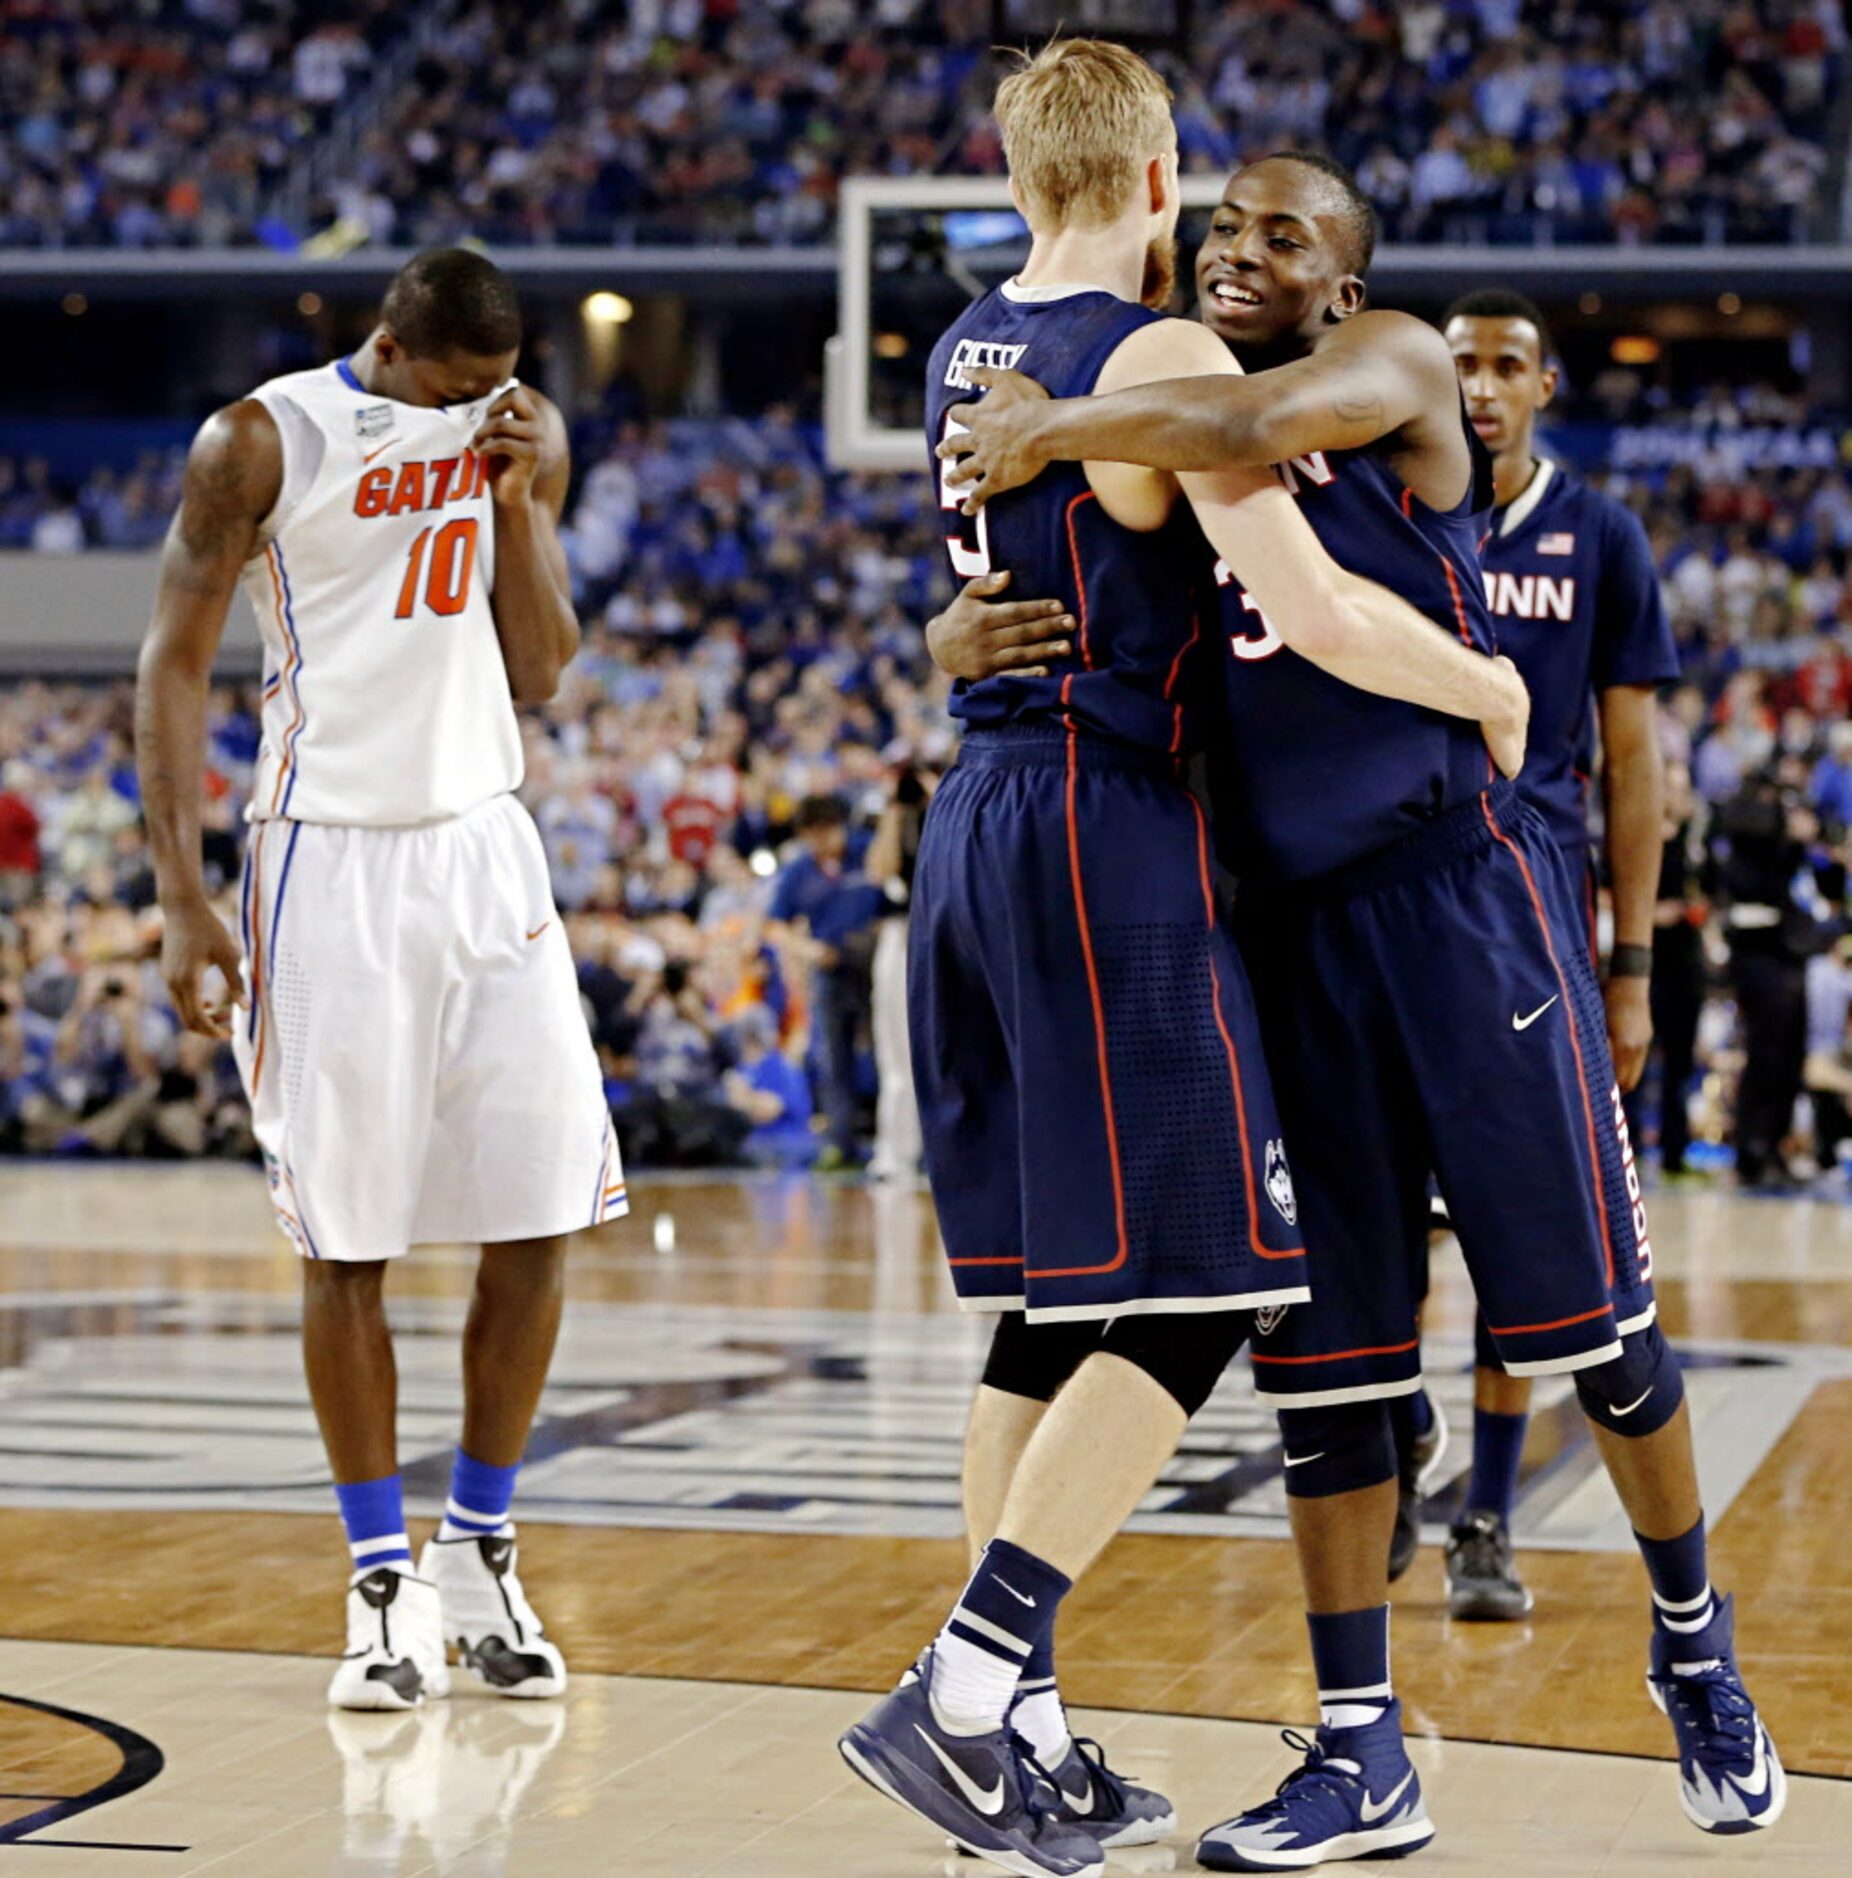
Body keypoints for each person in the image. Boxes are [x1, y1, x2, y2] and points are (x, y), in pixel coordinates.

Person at [939, 152, 1783, 1858]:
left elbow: (1242, 440)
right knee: (1325, 1373)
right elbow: (1077, 597)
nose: (1243, 249)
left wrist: (1046, 423)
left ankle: (1690, 1637)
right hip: (1279, 929)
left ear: (1341, 281)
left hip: (1462, 898)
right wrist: (962, 628)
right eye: (1226, 223)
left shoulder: (1388, 360)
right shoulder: (1157, 406)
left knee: (1591, 1337)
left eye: (1286, 236)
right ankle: (1357, 1750)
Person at [839, 47, 1527, 1878]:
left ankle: (1024, 1739)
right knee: (1224, 1270)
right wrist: (1479, 678)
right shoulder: (1158, 360)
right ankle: (968, 1687)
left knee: (1049, 1299)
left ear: (1010, 176)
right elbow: (1299, 602)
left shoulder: (962, 343)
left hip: (977, 816)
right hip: (1100, 819)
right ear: (1155, 172)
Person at [136, 248, 620, 1713]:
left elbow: (539, 668)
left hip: (483, 845)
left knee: (538, 1212)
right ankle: (378, 1579)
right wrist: (180, 893)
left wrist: (524, 494)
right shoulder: (264, 439)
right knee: (348, 1241)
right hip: (323, 857)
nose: (486, 406)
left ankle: (480, 1543)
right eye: (462, 388)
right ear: (394, 348)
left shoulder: (512, 430)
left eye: (503, 385)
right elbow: (171, 658)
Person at [1377, 289, 1680, 1621]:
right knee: (1377, 1212)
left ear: (1546, 384)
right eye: (1460, 368)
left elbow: (1632, 760)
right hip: (1385, 895)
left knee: (1522, 1226)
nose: (1483, 389)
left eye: (1507, 366)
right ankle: (1395, 1434)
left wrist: (1634, 965)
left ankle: (1487, 1514)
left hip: (1537, 905)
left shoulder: (1600, 533)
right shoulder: (1374, 508)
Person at [766, 794, 882, 1170]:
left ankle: (897, 1143)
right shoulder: (800, 871)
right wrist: (808, 949)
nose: (819, 842)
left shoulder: (867, 851)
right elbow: (777, 925)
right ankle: (842, 1143)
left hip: (877, 962)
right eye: (810, 836)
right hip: (830, 969)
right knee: (834, 1058)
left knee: (890, 1056)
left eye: (825, 833)